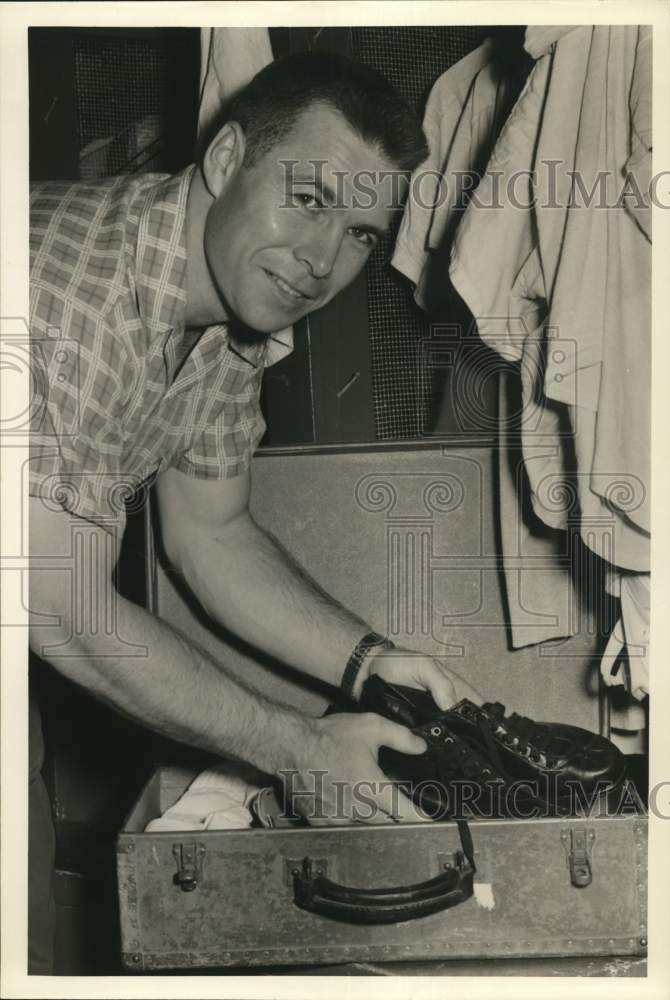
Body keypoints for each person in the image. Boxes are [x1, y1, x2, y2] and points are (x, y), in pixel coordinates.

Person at [27, 51, 483, 972]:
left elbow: (211, 533)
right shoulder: (61, 291)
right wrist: (300, 751)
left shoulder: (231, 327)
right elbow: (53, 604)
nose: (322, 262)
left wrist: (372, 664)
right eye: (308, 199)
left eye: (360, 232)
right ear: (226, 155)